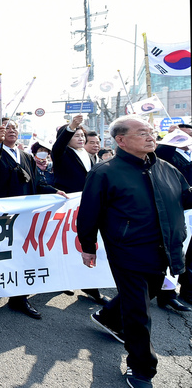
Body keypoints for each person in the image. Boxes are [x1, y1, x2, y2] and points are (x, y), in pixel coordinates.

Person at [79, 115, 192, 388]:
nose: (151, 136)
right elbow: (88, 214)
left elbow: (184, 199)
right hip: (128, 251)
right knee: (139, 312)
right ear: (121, 140)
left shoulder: (167, 168)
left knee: (148, 292)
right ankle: (141, 369)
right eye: (142, 133)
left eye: (151, 131)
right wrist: (87, 246)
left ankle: (107, 316)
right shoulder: (104, 172)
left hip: (164, 248)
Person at [0, 118, 67, 320]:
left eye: (14, 127)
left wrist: (55, 191)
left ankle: (19, 297)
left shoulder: (26, 156)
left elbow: (37, 182)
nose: (10, 130)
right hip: (2, 215)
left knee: (21, 254)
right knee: (0, 254)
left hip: (25, 216)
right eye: (6, 128)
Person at [51, 114, 109, 304]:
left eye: (82, 136)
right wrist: (71, 126)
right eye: (76, 136)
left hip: (88, 206)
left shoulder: (90, 156)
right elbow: (58, 146)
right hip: (67, 207)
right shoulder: (62, 153)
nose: (81, 139)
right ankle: (62, 278)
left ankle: (90, 284)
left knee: (87, 245)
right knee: (65, 244)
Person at [153, 124, 192, 311]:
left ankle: (186, 290)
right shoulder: (167, 155)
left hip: (190, 208)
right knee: (175, 250)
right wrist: (172, 137)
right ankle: (166, 293)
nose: (187, 138)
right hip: (176, 209)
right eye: (183, 135)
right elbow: (161, 153)